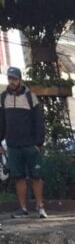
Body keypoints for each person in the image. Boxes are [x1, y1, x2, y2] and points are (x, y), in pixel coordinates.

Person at [0, 66, 47, 218]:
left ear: (20, 79)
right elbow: (1, 122)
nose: (12, 81)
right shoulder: (3, 97)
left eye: (14, 78)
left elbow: (39, 121)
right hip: (13, 145)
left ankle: (40, 207)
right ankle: (23, 209)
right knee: (18, 177)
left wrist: (38, 143)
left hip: (30, 144)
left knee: (36, 175)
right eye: (10, 78)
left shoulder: (30, 97)